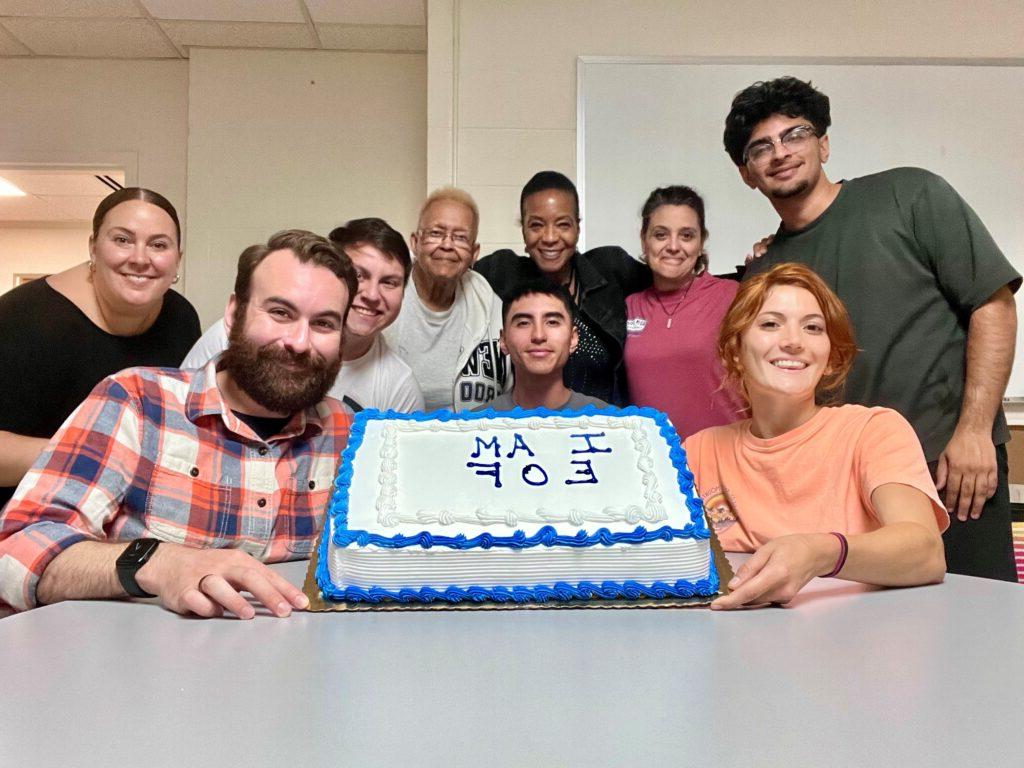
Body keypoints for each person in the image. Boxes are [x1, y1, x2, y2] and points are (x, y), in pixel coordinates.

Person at [724, 76, 1020, 582]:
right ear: (747, 173)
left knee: (978, 632)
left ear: (823, 143)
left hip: (950, 469)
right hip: (842, 491)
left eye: (794, 135)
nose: (780, 153)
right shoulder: (765, 269)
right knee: (865, 649)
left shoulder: (909, 194)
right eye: (761, 147)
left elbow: (991, 304)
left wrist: (974, 432)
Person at [0, 230, 357, 618]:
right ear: (234, 313)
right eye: (280, 313)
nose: (300, 342)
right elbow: (15, 552)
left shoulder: (347, 432)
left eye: (323, 324)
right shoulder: (136, 401)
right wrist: (159, 563)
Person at [684, 263, 948, 610]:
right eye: (770, 324)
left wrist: (820, 552)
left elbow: (926, 551)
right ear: (735, 350)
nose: (793, 342)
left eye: (813, 327)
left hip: (857, 644)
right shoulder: (699, 451)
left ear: (829, 356)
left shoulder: (873, 431)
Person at [0, 187, 201, 510]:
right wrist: (98, 451)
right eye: (122, 240)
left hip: (115, 520)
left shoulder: (181, 319)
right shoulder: (21, 319)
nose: (139, 258)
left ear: (178, 258)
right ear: (93, 247)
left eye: (158, 245)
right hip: (18, 521)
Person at [182, 218, 423, 413]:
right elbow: (179, 403)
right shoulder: (234, 335)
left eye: (389, 282)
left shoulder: (397, 387)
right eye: (358, 275)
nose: (371, 294)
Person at [475, 171, 651, 406]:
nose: (549, 237)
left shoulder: (611, 270)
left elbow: (670, 283)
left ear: (577, 228)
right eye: (536, 225)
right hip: (523, 428)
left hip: (602, 430)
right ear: (523, 231)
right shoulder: (502, 272)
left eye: (563, 225)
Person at [624, 185, 744, 438]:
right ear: (644, 239)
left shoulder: (733, 296)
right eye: (661, 235)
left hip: (724, 462)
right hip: (655, 466)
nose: (673, 246)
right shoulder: (628, 306)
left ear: (701, 243)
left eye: (687, 235)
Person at [385, 187, 510, 411]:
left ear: (474, 252)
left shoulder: (490, 305)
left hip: (471, 439)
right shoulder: (386, 296)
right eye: (435, 233)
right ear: (415, 242)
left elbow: (512, 393)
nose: (447, 245)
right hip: (395, 437)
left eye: (461, 238)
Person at [478, 282, 608, 412]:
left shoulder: (611, 423)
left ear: (573, 338)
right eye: (524, 323)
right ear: (503, 340)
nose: (539, 335)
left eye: (552, 322)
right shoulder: (474, 426)